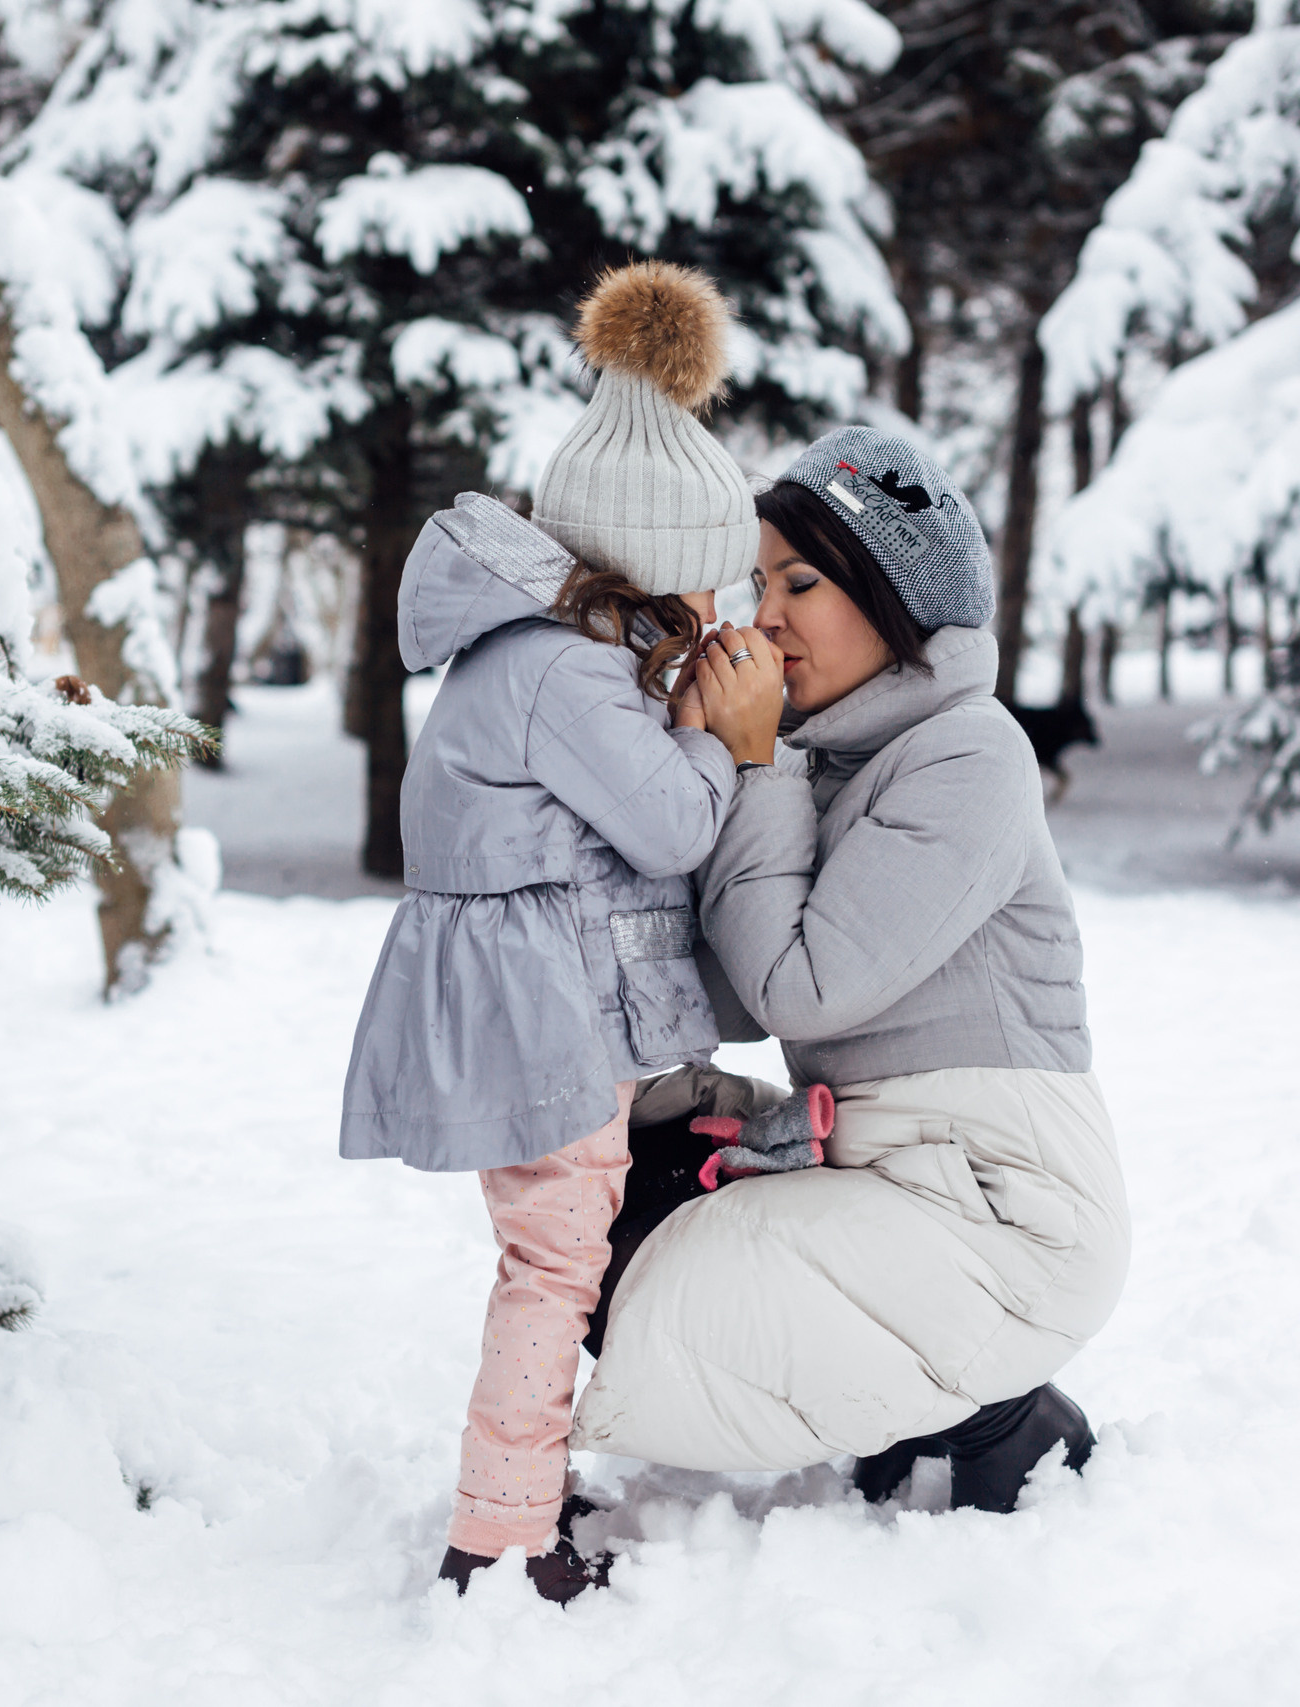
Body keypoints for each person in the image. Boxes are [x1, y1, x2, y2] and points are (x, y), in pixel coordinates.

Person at [569, 425, 1131, 1514]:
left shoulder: (971, 752)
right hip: (889, 1167)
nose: (763, 614)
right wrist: (699, 773)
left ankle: (991, 1414)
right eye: (758, 581)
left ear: (893, 598)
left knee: (645, 1271)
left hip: (1008, 1209)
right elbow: (727, 991)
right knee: (604, 1169)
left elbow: (797, 989)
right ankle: (941, 1403)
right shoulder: (833, 760)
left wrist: (755, 758)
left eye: (802, 581)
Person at [337, 262, 759, 1603]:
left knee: (566, 1242)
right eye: (705, 591)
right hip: (541, 1018)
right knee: (552, 1261)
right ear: (654, 571)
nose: (712, 618)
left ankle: (523, 1487)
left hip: (540, 1002)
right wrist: (720, 736)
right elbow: (673, 827)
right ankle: (501, 1534)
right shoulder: (573, 675)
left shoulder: (541, 648)